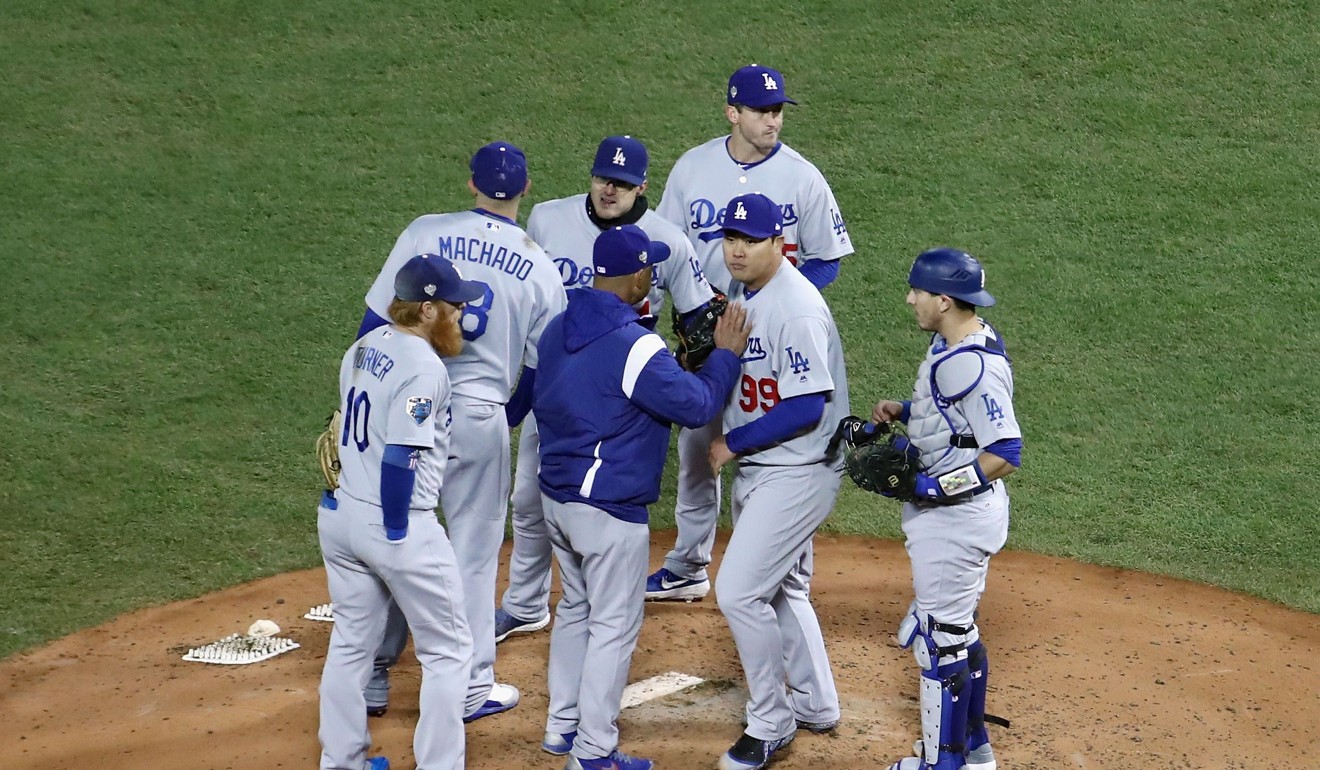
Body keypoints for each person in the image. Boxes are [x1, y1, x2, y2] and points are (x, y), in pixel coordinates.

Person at [358, 141, 567, 720]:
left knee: (396, 536)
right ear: (525, 190)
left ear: (469, 182)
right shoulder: (541, 266)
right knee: (472, 557)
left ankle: (373, 674)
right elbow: (536, 371)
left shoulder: (426, 233)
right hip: (479, 417)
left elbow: (374, 325)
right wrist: (503, 415)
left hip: (405, 407)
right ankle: (472, 687)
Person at [534, 224, 750, 770]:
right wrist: (723, 355)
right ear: (637, 276)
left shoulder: (559, 327)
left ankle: (563, 727)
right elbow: (697, 405)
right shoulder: (635, 346)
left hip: (556, 499)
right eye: (649, 268)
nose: (653, 274)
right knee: (613, 627)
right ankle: (592, 752)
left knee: (575, 610)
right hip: (606, 510)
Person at [494, 135, 719, 642]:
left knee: (601, 496)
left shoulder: (668, 240)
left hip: (621, 388)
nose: (609, 190)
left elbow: (698, 319)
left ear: (642, 185)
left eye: (621, 183)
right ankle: (526, 604)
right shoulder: (547, 220)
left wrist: (697, 368)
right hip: (552, 374)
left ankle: (632, 584)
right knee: (529, 497)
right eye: (602, 179)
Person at [647, 64, 855, 602]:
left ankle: (792, 577)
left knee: (781, 452)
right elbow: (665, 249)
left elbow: (826, 261)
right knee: (698, 448)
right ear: (732, 113)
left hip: (769, 348)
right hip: (705, 340)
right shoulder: (693, 168)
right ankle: (688, 564)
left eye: (778, 110)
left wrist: (771, 305)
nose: (773, 120)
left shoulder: (802, 177)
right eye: (762, 111)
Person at [317, 254, 485, 770]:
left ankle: (341, 761)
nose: (461, 313)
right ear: (428, 308)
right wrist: (396, 530)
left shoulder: (363, 347)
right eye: (454, 305)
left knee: (350, 644)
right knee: (449, 652)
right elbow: (400, 456)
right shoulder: (424, 367)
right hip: (395, 522)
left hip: (340, 514)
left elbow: (341, 429)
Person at [704, 193, 850, 770]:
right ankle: (817, 703)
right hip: (769, 469)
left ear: (779, 243)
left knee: (738, 591)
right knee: (783, 587)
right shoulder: (747, 290)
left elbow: (809, 406)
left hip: (799, 470)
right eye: (731, 238)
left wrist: (729, 444)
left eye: (751, 241)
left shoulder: (796, 308)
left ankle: (771, 721)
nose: (737, 250)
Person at [868, 247, 1021, 770]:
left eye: (918, 291)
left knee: (938, 644)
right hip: (964, 515)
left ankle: (942, 764)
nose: (910, 299)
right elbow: (954, 416)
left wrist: (934, 489)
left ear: (944, 299)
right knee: (957, 633)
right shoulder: (959, 341)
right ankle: (973, 752)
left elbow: (1004, 452)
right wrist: (908, 411)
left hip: (956, 518)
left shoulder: (969, 366)